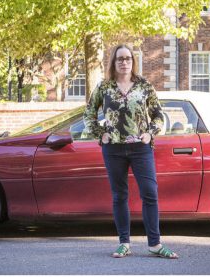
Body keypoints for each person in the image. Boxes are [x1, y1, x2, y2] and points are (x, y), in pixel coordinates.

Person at [83, 44, 179, 259]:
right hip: (113, 149)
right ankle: (124, 242)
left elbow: (158, 114)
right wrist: (100, 135)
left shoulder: (144, 85)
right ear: (114, 62)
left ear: (133, 61)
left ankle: (155, 244)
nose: (124, 62)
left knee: (150, 193)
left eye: (127, 58)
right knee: (119, 196)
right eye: (120, 59)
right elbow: (88, 113)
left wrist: (150, 133)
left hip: (140, 148)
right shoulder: (104, 87)